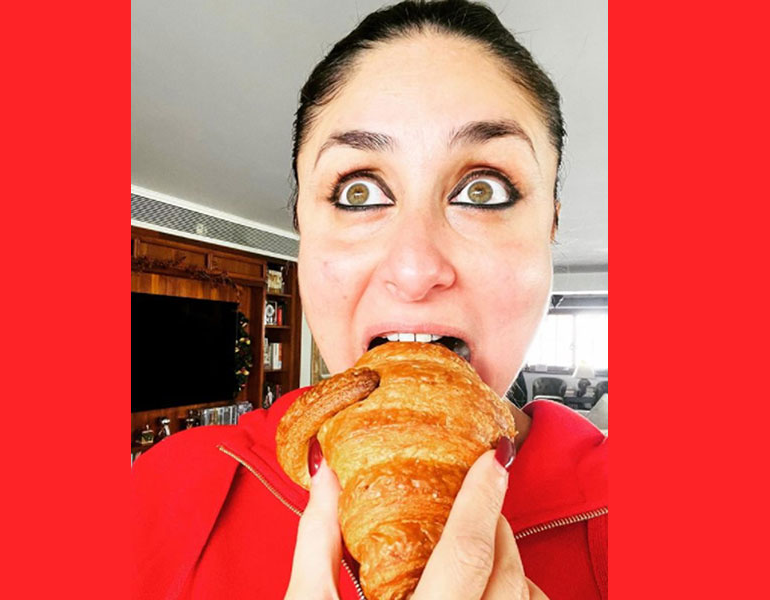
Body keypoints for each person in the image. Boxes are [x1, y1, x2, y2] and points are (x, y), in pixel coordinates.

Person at [132, 2, 608, 599]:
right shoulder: (156, 491)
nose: (414, 270)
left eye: (484, 191)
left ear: (551, 226)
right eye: (358, 192)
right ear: (302, 228)